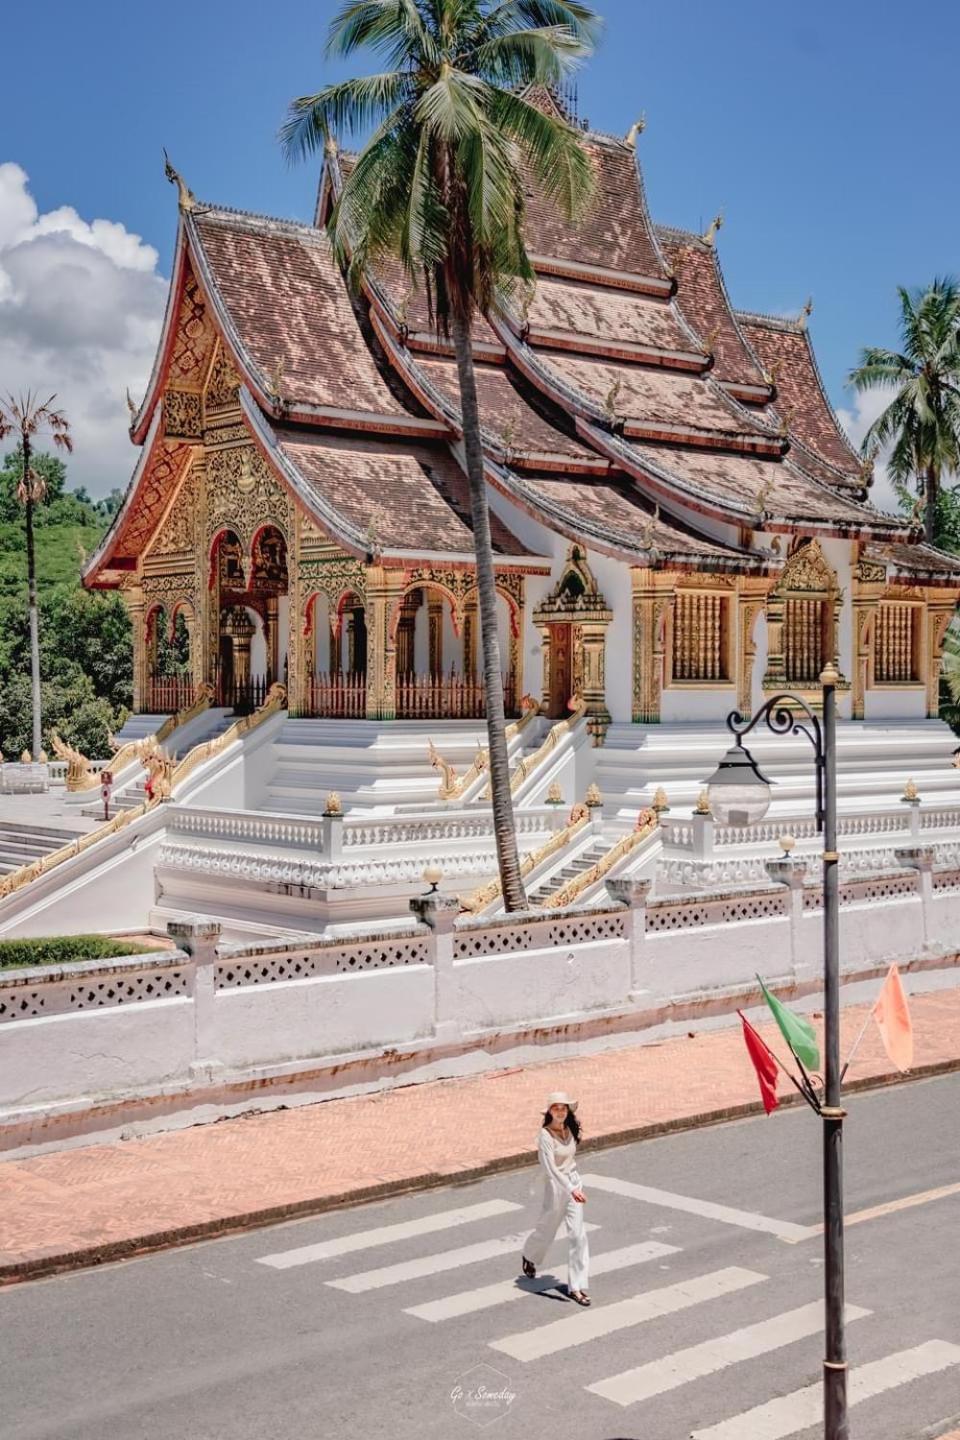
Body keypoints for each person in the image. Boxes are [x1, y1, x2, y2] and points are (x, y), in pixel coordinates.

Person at [520, 1090, 591, 1306]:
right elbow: (551, 1169)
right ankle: (529, 1255)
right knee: (546, 1230)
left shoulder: (569, 1129)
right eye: (555, 1107)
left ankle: (577, 1288)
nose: (560, 1111)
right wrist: (570, 1189)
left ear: (568, 1110)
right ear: (550, 1111)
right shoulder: (545, 1136)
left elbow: (569, 1161)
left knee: (578, 1236)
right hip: (556, 1187)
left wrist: (574, 1187)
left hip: (573, 1184)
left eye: (563, 1107)